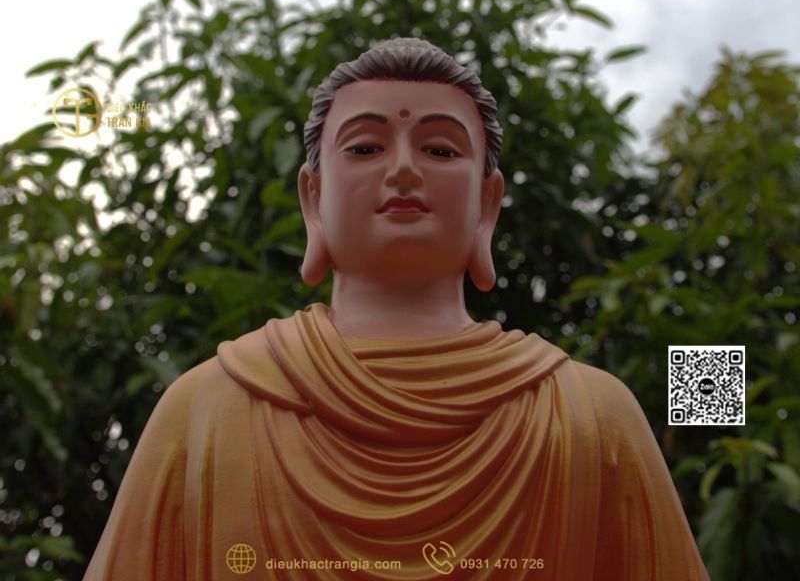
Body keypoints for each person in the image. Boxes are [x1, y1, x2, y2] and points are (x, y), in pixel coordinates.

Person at [84, 37, 710, 580]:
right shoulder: (204, 410)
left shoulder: (592, 417)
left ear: (487, 204)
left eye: (440, 150)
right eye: (364, 148)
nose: (405, 170)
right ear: (313, 200)